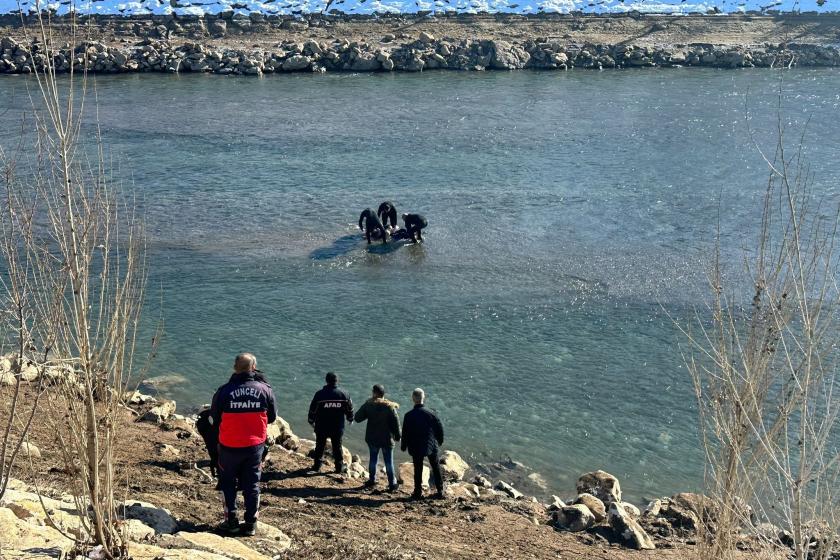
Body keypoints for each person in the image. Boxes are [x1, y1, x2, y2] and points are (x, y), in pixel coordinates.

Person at [210, 353, 277, 536]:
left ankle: (230, 520)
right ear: (253, 368)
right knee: (252, 483)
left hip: (228, 446)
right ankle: (250, 523)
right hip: (255, 446)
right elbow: (271, 417)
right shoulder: (265, 390)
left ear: (234, 367)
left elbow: (215, 418)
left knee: (227, 483)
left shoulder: (223, 391)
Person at [354, 384, 401, 492]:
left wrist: (366, 405)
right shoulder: (390, 407)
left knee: (373, 460)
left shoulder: (369, 404)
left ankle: (372, 480)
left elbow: (357, 418)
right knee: (389, 462)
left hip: (372, 438)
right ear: (383, 394)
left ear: (374, 393)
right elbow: (396, 424)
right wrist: (398, 436)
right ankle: (392, 484)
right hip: (387, 439)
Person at [401, 388, 444, 499]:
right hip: (430, 444)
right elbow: (439, 428)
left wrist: (403, 445)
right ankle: (440, 491)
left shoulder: (408, 415)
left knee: (418, 468)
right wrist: (440, 441)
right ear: (423, 398)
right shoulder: (431, 413)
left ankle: (417, 492)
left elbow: (405, 432)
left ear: (413, 399)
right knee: (435, 466)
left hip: (415, 445)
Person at [308, 372, 354, 473]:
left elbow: (312, 409)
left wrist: (311, 421)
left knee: (320, 446)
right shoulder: (344, 394)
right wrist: (350, 419)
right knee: (337, 447)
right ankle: (339, 467)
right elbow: (349, 409)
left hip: (322, 426)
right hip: (337, 427)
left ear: (326, 380)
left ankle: (316, 467)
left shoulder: (320, 394)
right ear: (337, 381)